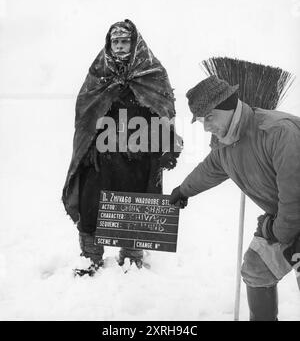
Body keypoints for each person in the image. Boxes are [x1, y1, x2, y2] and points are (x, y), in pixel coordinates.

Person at [170, 75, 300, 321]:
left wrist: (276, 232)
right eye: (200, 120)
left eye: (209, 117)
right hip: (285, 222)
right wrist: (183, 190)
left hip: (291, 218)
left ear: (228, 107)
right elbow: (209, 170)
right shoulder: (226, 147)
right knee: (257, 266)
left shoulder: (278, 132)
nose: (205, 127)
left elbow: (295, 202)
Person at [62, 19, 182, 276]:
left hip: (139, 153)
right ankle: (90, 257)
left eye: (124, 41)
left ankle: (131, 257)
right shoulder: (98, 72)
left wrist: (166, 144)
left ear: (134, 42)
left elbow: (165, 109)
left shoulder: (152, 72)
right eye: (114, 41)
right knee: (91, 201)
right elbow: (85, 111)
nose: (118, 46)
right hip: (102, 154)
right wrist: (87, 148)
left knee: (137, 203)